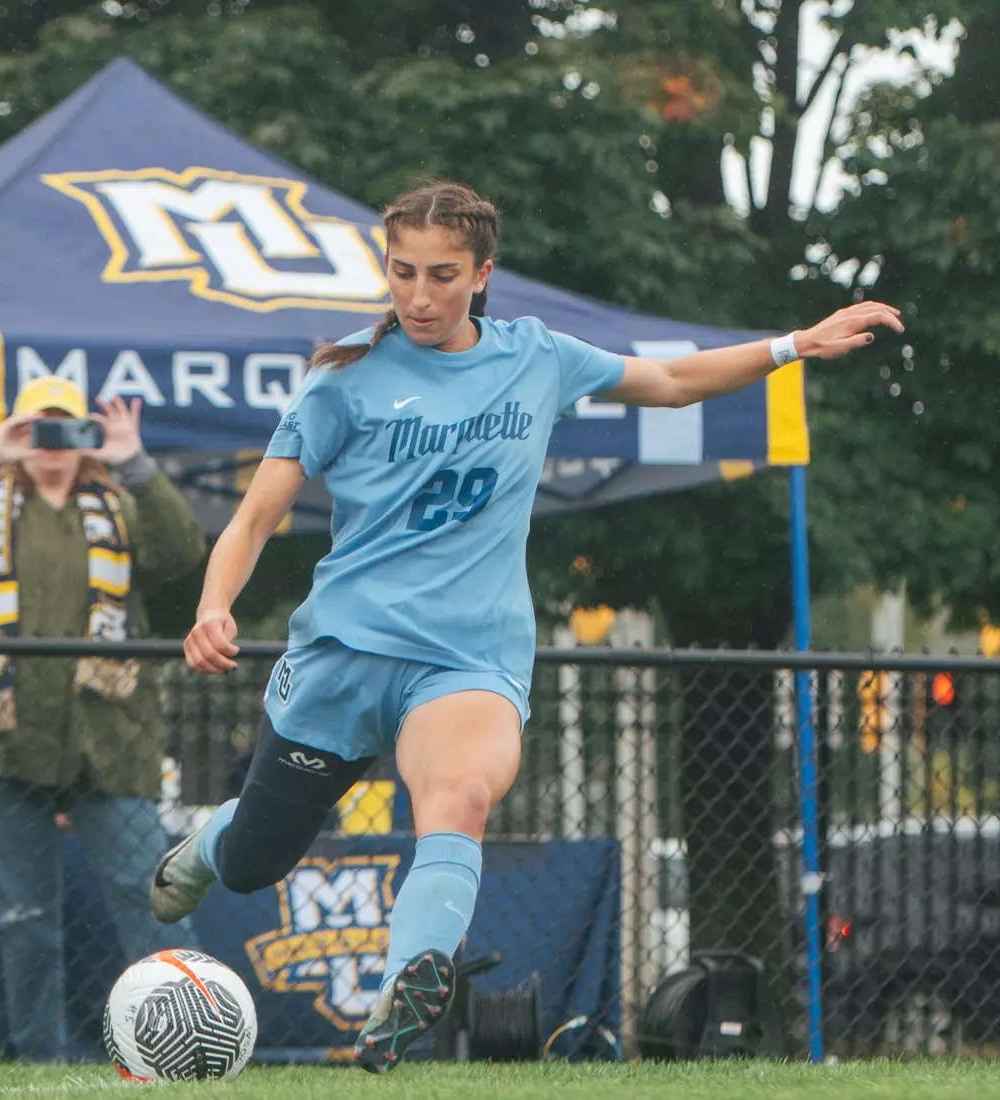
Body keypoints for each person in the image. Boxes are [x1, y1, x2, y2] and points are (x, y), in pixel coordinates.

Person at [149, 179, 903, 1073]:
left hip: (467, 657)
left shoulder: (535, 356)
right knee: (253, 865)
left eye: (442, 275)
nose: (420, 295)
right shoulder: (345, 374)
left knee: (460, 798)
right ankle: (215, 839)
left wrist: (793, 345)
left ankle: (404, 989)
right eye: (402, 273)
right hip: (344, 655)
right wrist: (213, 605)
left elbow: (665, 381)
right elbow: (253, 517)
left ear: (481, 275)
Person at [0, 378, 206, 1062]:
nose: (53, 445)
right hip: (1, 740)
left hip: (111, 742)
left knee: (146, 892)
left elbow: (184, 553)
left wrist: (137, 464)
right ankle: (41, 1062)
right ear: (18, 434)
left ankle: (185, 1046)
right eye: (39, 428)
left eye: (66, 428)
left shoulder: (123, 506)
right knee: (26, 917)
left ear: (88, 438)